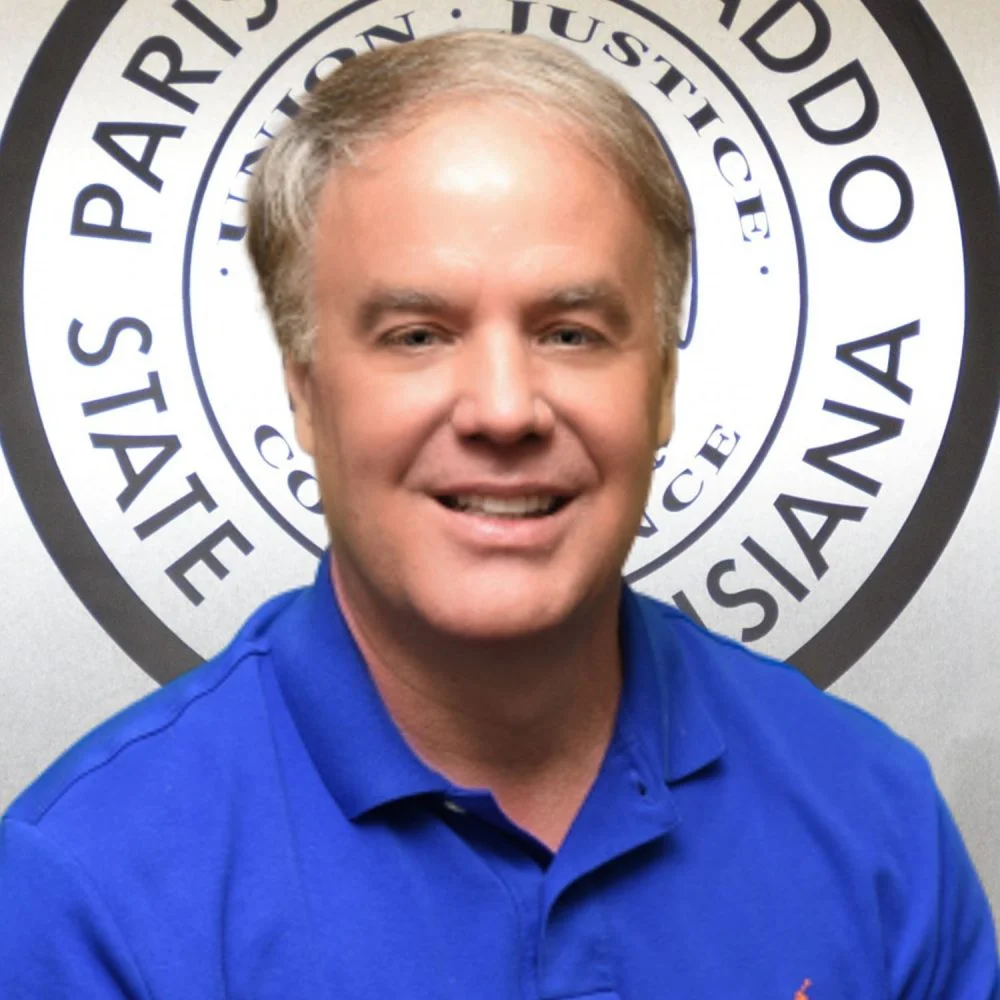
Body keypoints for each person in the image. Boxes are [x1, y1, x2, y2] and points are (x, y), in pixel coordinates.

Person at [0, 29, 996, 999]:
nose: (505, 410)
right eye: (417, 334)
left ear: (661, 386)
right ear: (304, 390)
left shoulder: (877, 824)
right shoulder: (84, 890)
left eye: (571, 332)